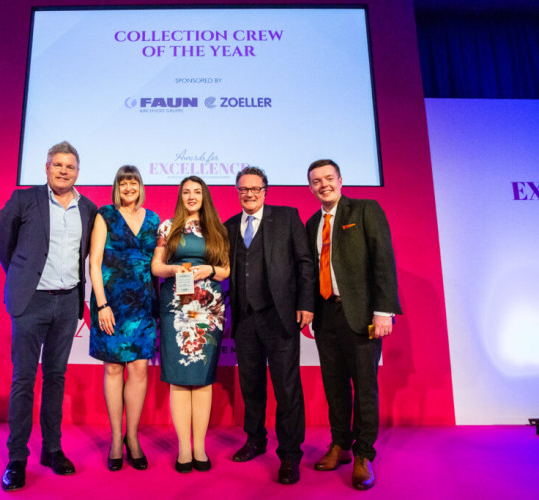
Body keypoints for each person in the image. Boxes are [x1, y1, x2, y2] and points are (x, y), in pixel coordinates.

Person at [0, 141, 97, 492]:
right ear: (46, 167)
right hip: (31, 302)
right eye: (58, 165)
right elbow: (3, 245)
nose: (63, 170)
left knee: (56, 378)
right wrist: (23, 279)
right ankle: (17, 457)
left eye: (70, 166)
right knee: (24, 379)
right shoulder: (24, 199)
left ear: (78, 171)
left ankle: (52, 449)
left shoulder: (89, 209)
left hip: (68, 303)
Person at [305, 159, 402, 491]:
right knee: (334, 387)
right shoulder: (310, 224)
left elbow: (383, 259)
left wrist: (384, 310)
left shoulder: (365, 210)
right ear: (311, 187)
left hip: (361, 314)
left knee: (364, 387)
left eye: (328, 178)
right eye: (316, 181)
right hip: (326, 315)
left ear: (341, 180)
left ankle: (363, 454)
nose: (323, 185)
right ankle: (341, 445)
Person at [224, 166, 315, 485]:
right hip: (245, 319)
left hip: (281, 316)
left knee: (287, 388)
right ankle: (255, 440)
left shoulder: (288, 217)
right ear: (237, 192)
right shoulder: (230, 225)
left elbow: (305, 263)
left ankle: (290, 454)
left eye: (255, 188)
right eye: (243, 189)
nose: (249, 194)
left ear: (265, 190)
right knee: (251, 386)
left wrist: (306, 303)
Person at [151, 176, 230, 473]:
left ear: (205, 196)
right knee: (179, 379)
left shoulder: (218, 229)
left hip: (208, 309)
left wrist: (209, 268)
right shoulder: (167, 227)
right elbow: (156, 266)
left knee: (204, 378)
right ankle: (184, 449)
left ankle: (200, 449)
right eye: (186, 192)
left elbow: (226, 270)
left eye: (197, 192)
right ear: (180, 196)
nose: (192, 196)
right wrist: (175, 269)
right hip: (176, 307)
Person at [88, 165, 160, 472]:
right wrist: (102, 305)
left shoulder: (155, 219)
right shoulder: (105, 215)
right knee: (114, 369)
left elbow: (159, 262)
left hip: (144, 304)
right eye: (123, 183)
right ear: (117, 187)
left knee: (140, 369)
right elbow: (94, 262)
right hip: (111, 304)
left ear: (140, 186)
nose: (128, 187)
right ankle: (116, 439)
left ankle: (133, 438)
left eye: (133, 183)